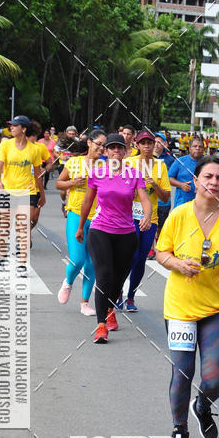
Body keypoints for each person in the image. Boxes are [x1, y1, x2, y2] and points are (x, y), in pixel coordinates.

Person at [156, 157, 219, 438]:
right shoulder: (179, 214)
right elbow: (162, 252)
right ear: (196, 181)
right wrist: (177, 264)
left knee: (214, 379)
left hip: (217, 308)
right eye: (208, 176)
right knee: (182, 370)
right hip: (180, 308)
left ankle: (203, 404)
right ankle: (179, 429)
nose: (214, 182)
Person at [76, 132, 152, 343]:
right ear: (106, 152)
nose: (117, 151)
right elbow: (87, 202)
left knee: (118, 279)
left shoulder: (134, 173)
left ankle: (110, 308)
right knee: (104, 275)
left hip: (127, 233)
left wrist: (147, 215)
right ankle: (101, 326)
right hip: (101, 230)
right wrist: (81, 226)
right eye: (112, 148)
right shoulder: (97, 173)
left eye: (120, 148)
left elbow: (145, 198)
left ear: (126, 151)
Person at [55, 131, 106, 315]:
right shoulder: (74, 163)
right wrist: (73, 183)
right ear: (90, 143)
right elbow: (59, 184)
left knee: (92, 263)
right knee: (77, 260)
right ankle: (68, 282)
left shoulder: (105, 167)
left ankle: (85, 303)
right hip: (76, 214)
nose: (101, 148)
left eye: (103, 145)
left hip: (99, 217)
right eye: (98, 144)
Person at [123, 130, 170, 312]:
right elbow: (119, 189)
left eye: (150, 143)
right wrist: (135, 188)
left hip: (151, 218)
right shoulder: (128, 163)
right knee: (130, 256)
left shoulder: (160, 166)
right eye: (143, 143)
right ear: (137, 145)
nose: (147, 146)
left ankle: (131, 297)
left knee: (141, 258)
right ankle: (119, 291)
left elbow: (166, 197)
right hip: (128, 217)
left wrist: (154, 184)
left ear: (155, 145)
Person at [0, 114, 46, 254]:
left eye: (15, 125)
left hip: (27, 190)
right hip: (8, 189)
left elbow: (37, 173)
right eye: (11, 125)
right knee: (6, 224)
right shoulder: (5, 145)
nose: (11, 127)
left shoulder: (35, 149)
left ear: (23, 129)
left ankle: (21, 245)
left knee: (25, 222)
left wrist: (42, 193)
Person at [151, 132, 175, 260]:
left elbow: (172, 177)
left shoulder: (170, 160)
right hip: (149, 200)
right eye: (154, 142)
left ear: (165, 144)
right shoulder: (147, 158)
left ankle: (160, 248)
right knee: (149, 225)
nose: (156, 145)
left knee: (160, 227)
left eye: (160, 142)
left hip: (163, 201)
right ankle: (150, 250)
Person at [168, 136, 205, 208]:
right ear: (190, 148)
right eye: (195, 146)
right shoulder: (180, 161)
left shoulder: (208, 163)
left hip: (201, 205)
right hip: (181, 204)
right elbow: (169, 178)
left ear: (203, 149)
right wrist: (181, 185)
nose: (197, 148)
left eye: (200, 147)